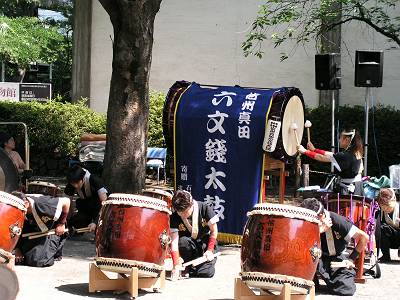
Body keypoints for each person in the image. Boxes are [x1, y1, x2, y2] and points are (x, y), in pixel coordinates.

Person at [300, 198, 369, 296]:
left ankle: (330, 281)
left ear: (320, 216)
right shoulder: (304, 222)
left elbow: (364, 237)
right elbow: (299, 243)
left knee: (345, 288)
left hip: (335, 259)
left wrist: (351, 259)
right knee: (301, 286)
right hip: (312, 258)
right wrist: (319, 231)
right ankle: (313, 280)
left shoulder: (338, 221)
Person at [298, 127, 364, 194]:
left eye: (340, 137)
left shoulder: (345, 155)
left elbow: (321, 157)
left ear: (347, 139)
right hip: (358, 188)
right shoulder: (356, 152)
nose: (339, 140)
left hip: (349, 190)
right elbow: (331, 154)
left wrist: (305, 151)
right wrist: (314, 150)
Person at [12, 191, 70, 267]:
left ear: (26, 204)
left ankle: (54, 249)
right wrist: (17, 248)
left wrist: (61, 223)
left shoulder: (44, 204)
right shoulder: (16, 209)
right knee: (18, 258)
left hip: (52, 230)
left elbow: (66, 201)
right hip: (32, 230)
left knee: (38, 260)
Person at [170, 190, 219, 279]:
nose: (182, 215)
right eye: (179, 212)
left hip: (205, 244)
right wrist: (175, 264)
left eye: (185, 212)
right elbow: (174, 242)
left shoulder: (204, 208)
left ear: (191, 204)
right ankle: (187, 266)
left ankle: (193, 268)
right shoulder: (174, 217)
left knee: (207, 272)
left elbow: (214, 231)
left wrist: (210, 249)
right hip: (189, 246)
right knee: (182, 242)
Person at [64, 164, 108, 232]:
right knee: (77, 223)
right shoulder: (71, 184)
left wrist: (96, 222)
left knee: (100, 229)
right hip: (85, 207)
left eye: (77, 182)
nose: (75, 186)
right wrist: (66, 221)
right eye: (73, 183)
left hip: (98, 208)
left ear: (83, 178)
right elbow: (66, 204)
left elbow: (105, 204)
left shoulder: (95, 180)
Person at [376, 187, 400, 262]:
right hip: (391, 239)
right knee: (382, 228)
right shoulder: (381, 212)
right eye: (383, 206)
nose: (386, 209)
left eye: (388, 205)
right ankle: (386, 256)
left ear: (394, 200)